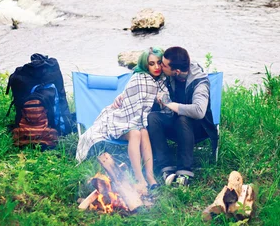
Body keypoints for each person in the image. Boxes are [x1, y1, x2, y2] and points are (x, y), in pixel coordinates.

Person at [75, 47, 167, 191]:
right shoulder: (138, 78)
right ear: (145, 64)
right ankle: (140, 178)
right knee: (136, 133)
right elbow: (130, 101)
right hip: (120, 118)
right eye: (151, 63)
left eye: (158, 63)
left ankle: (150, 176)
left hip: (138, 121)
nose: (156, 67)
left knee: (143, 132)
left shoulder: (161, 81)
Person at [147, 46, 219, 187]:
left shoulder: (200, 82)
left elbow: (199, 111)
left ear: (177, 71)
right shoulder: (170, 75)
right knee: (153, 118)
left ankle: (184, 171)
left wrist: (170, 104)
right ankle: (166, 168)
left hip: (199, 129)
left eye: (164, 65)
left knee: (183, 118)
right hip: (175, 123)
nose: (160, 66)